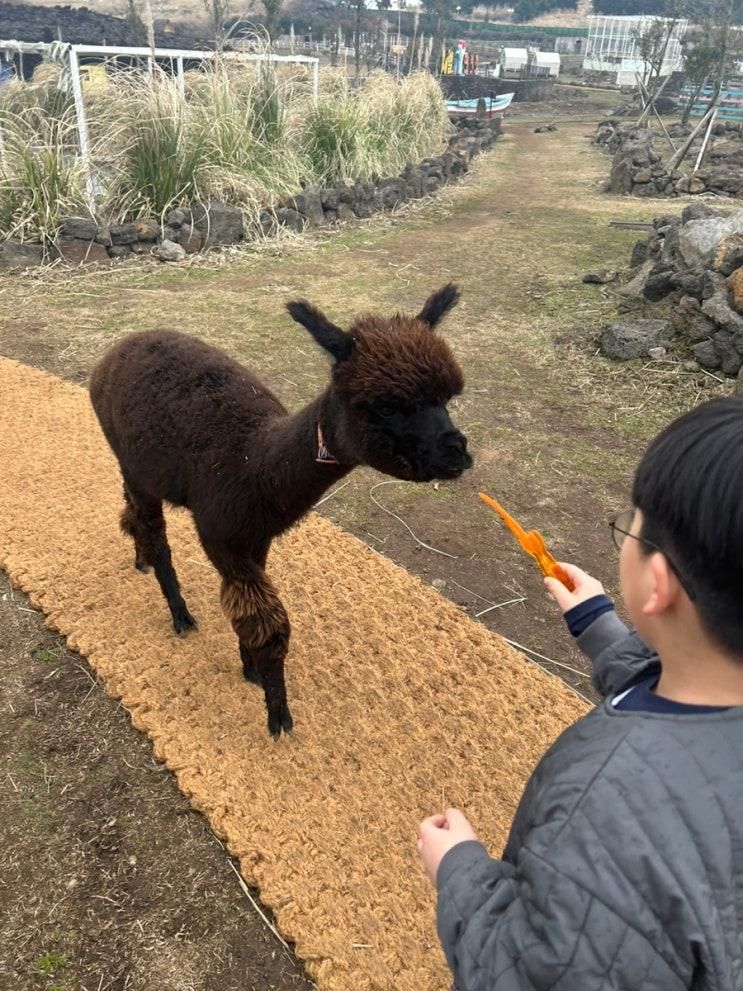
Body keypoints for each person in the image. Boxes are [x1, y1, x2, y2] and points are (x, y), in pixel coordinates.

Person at [417, 396, 743, 990]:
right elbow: (671, 676)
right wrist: (599, 624)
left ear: (659, 582)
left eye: (631, 524)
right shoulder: (714, 699)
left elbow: (530, 972)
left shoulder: (611, 810)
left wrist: (460, 874)